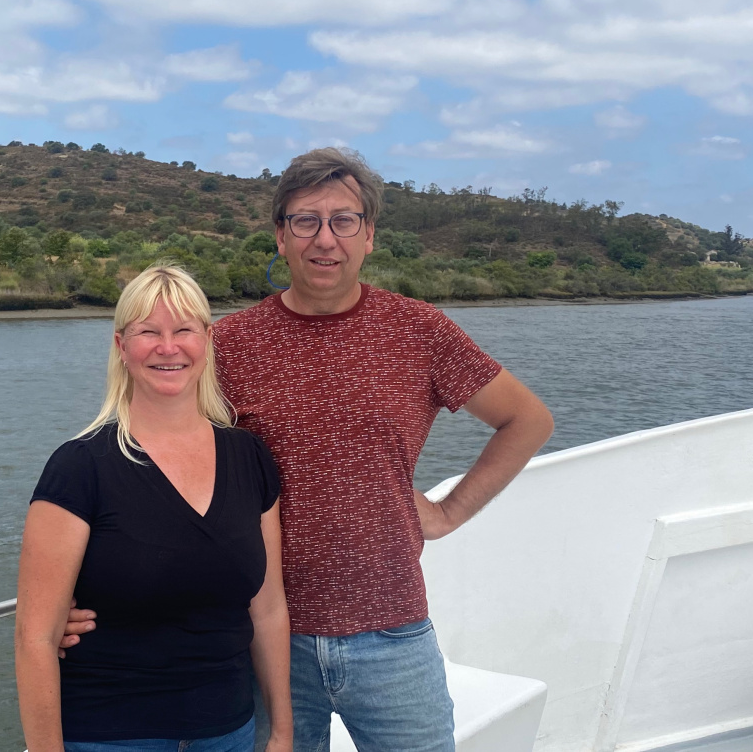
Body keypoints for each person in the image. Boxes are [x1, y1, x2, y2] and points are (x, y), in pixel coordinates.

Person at [62, 149, 555, 752]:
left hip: (392, 631)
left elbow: (526, 419)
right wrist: (84, 598)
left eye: (344, 220)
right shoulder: (231, 343)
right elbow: (154, 462)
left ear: (369, 235)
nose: (326, 239)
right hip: (258, 639)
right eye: (306, 221)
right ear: (280, 235)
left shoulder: (419, 330)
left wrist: (450, 511)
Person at [15, 264, 293, 752]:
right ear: (122, 347)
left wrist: (283, 732)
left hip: (229, 731)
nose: (168, 347)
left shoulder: (249, 457)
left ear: (206, 341)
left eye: (184, 330)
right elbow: (35, 637)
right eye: (149, 332)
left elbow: (267, 609)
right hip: (110, 735)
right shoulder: (80, 466)